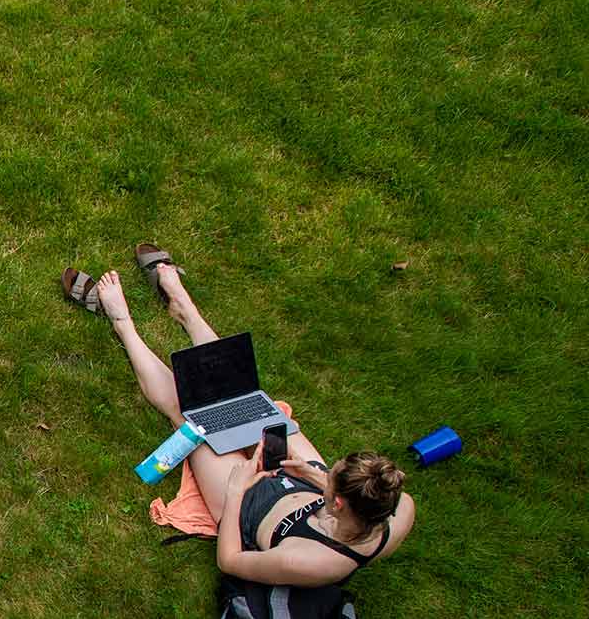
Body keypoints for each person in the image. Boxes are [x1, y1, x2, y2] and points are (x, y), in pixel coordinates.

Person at [63, 246, 416, 587]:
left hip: (250, 504)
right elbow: (362, 495)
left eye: (332, 474)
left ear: (338, 502)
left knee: (193, 417)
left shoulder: (311, 561)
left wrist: (236, 492)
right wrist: (315, 474)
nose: (329, 470)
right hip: (300, 482)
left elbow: (229, 561)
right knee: (243, 398)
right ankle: (184, 308)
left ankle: (121, 322)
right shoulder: (396, 510)